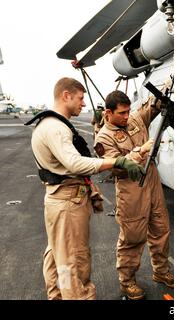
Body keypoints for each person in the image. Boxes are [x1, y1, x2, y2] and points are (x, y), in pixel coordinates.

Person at [26, 77, 146, 300]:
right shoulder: (55, 128)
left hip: (58, 199)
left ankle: (58, 296)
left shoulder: (49, 123)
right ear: (66, 96)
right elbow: (75, 163)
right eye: (80, 98)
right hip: (67, 203)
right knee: (74, 262)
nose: (83, 104)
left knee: (57, 257)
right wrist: (116, 161)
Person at [94, 89, 174, 300]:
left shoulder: (134, 118)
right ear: (108, 113)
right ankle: (127, 282)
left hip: (152, 182)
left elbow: (153, 105)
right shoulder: (103, 138)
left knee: (161, 229)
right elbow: (115, 167)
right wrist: (141, 151)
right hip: (131, 189)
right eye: (122, 113)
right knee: (132, 238)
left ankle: (161, 272)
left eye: (128, 111)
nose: (127, 116)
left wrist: (170, 85)